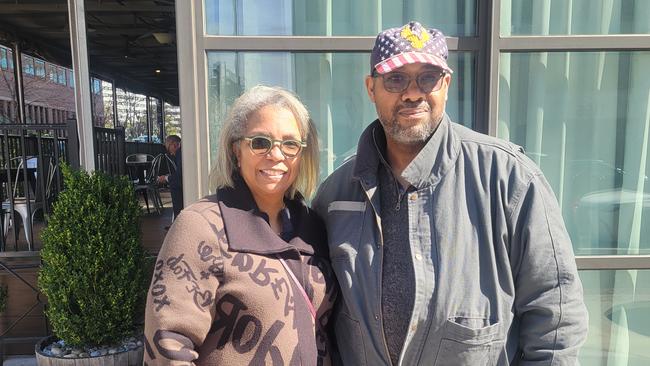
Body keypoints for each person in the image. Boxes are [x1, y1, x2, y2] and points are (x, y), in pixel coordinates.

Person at [312, 21, 588, 365]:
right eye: (395, 79)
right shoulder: (337, 194)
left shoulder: (508, 178)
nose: (412, 93)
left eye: (427, 77)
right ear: (371, 88)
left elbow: (555, 312)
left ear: (446, 84)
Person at [144, 85, 338, 365]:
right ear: (237, 150)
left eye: (290, 144)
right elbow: (168, 346)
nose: (276, 155)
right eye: (260, 142)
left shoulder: (312, 226)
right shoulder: (201, 226)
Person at [158, 134, 183, 219]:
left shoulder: (180, 154)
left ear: (174, 144)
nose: (171, 153)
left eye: (169, 149)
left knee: (174, 185)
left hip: (184, 186)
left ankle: (178, 218)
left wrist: (166, 178)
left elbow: (179, 178)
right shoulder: (181, 153)